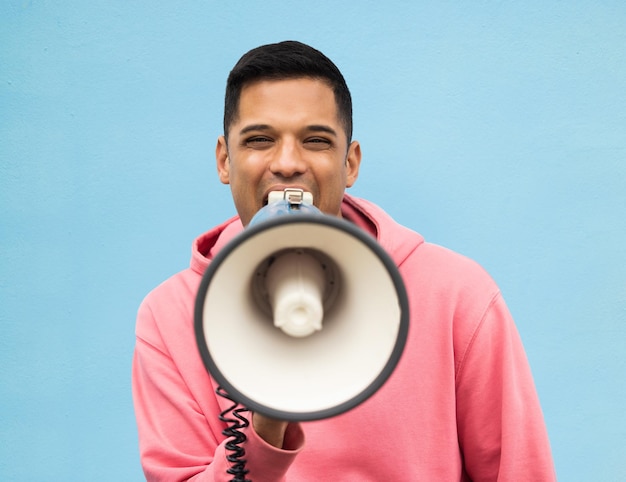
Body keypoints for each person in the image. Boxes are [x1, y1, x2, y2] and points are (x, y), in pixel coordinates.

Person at [132, 40, 556, 481]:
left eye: (316, 141)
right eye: (260, 140)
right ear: (225, 160)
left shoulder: (456, 295)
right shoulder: (169, 317)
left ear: (350, 163)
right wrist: (263, 425)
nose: (288, 163)